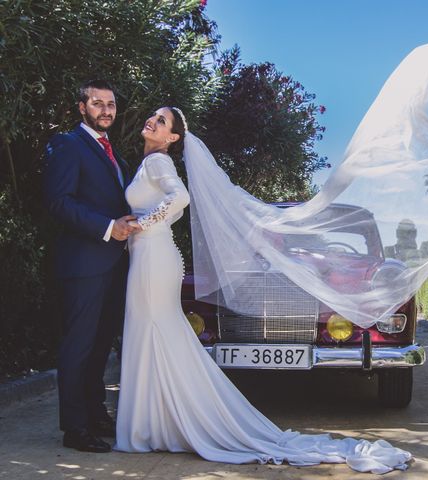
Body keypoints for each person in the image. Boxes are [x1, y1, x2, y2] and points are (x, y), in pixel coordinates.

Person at [115, 107, 411, 474]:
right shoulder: (152, 163)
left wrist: (141, 225)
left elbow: (180, 199)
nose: (153, 122)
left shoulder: (158, 162)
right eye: (153, 117)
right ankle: (159, 423)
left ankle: (151, 426)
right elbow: (174, 208)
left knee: (154, 332)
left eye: (162, 121)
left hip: (152, 254)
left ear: (173, 137)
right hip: (153, 254)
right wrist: (149, 227)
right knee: (156, 335)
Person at [43, 79, 138, 453]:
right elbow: (58, 202)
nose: (106, 110)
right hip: (82, 265)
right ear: (82, 107)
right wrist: (107, 228)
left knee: (101, 346)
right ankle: (75, 428)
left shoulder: (119, 158)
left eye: (111, 104)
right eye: (97, 103)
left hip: (114, 266)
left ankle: (97, 413)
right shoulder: (67, 145)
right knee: (78, 346)